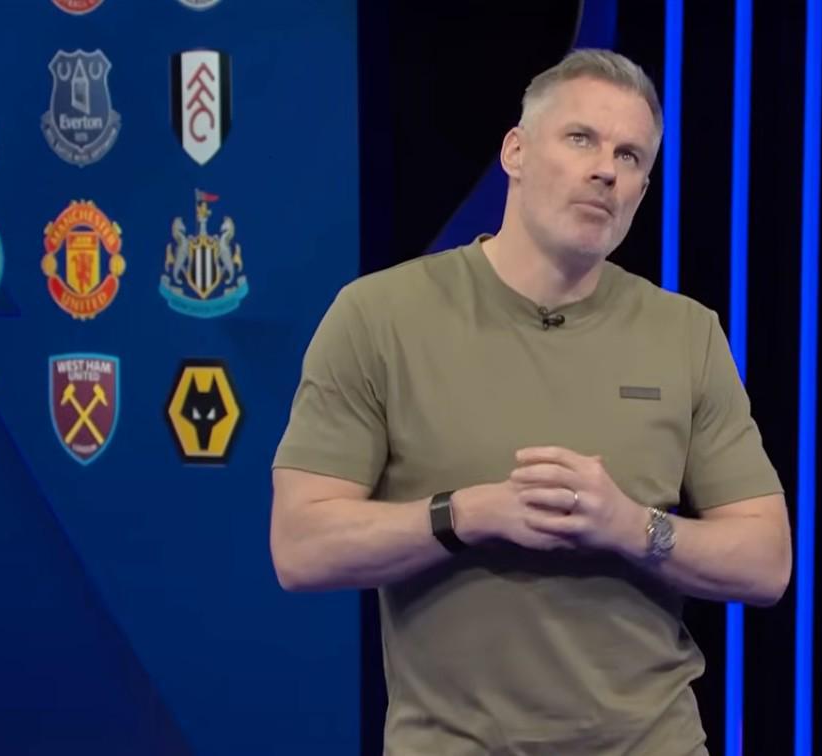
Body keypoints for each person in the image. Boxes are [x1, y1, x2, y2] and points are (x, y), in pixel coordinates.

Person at [269, 48, 792, 755]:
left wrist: (631, 526)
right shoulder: (378, 316)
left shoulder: (686, 334)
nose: (605, 169)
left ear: (642, 189)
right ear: (514, 151)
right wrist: (465, 515)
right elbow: (301, 547)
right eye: (580, 139)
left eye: (630, 156)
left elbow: (765, 560)